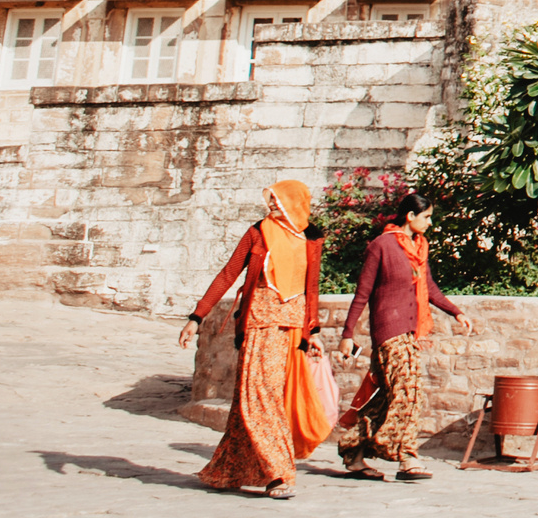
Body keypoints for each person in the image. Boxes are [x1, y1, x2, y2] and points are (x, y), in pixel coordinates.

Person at [180, 179, 325, 498]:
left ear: (295, 203)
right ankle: (279, 472)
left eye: (279, 200)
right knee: (258, 395)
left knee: (259, 398)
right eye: (271, 200)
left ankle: (228, 469)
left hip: (290, 330)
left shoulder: (311, 239)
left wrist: (312, 331)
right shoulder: (259, 232)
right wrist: (197, 316)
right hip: (259, 324)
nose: (272, 205)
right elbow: (228, 274)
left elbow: (310, 287)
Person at [334, 190, 474, 480]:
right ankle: (406, 458)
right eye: (427, 217)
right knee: (411, 393)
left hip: (409, 332)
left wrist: (456, 312)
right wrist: (347, 333)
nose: (430, 223)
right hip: (389, 332)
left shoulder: (419, 247)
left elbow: (430, 288)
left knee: (384, 398)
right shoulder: (381, 247)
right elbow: (362, 293)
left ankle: (355, 453)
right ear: (410, 216)